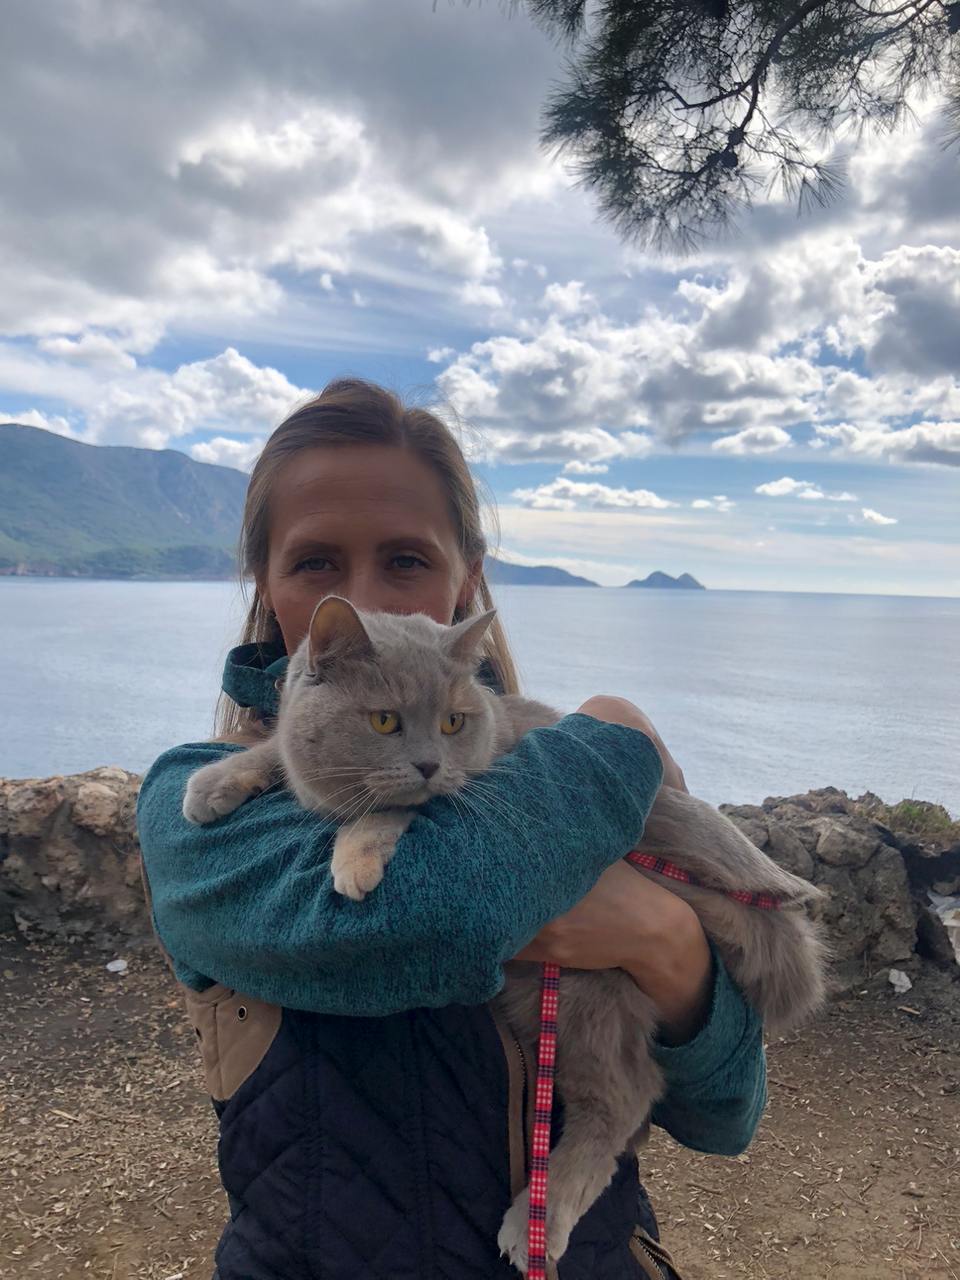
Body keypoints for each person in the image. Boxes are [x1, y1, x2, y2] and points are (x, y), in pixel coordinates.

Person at [136, 378, 767, 1280]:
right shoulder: (195, 806)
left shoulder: (526, 770)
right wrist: (615, 740)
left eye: (405, 560)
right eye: (315, 562)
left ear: (467, 576)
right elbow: (444, 918)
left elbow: (726, 1115)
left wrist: (669, 948)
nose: (365, 597)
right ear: (266, 583)